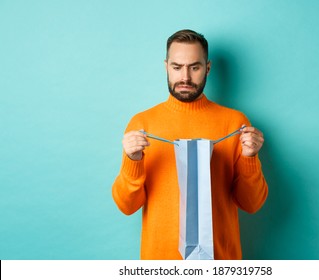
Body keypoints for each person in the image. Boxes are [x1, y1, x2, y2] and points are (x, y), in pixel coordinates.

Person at [112, 29, 268, 260]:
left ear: (208, 68)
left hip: (221, 262)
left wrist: (249, 158)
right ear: (166, 66)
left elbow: (251, 204)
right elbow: (126, 206)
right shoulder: (143, 123)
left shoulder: (235, 124)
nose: (185, 77)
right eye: (177, 67)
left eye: (194, 67)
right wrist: (133, 160)